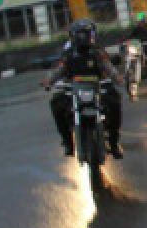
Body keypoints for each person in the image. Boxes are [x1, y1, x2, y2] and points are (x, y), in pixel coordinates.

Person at [43, 19, 124, 159]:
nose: (84, 38)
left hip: (98, 88)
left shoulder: (98, 52)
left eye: (87, 34)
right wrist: (48, 80)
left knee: (114, 103)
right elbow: (59, 70)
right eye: (80, 34)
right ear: (74, 36)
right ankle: (68, 142)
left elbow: (108, 67)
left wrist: (118, 78)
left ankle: (113, 142)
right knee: (56, 103)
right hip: (74, 91)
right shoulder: (68, 54)